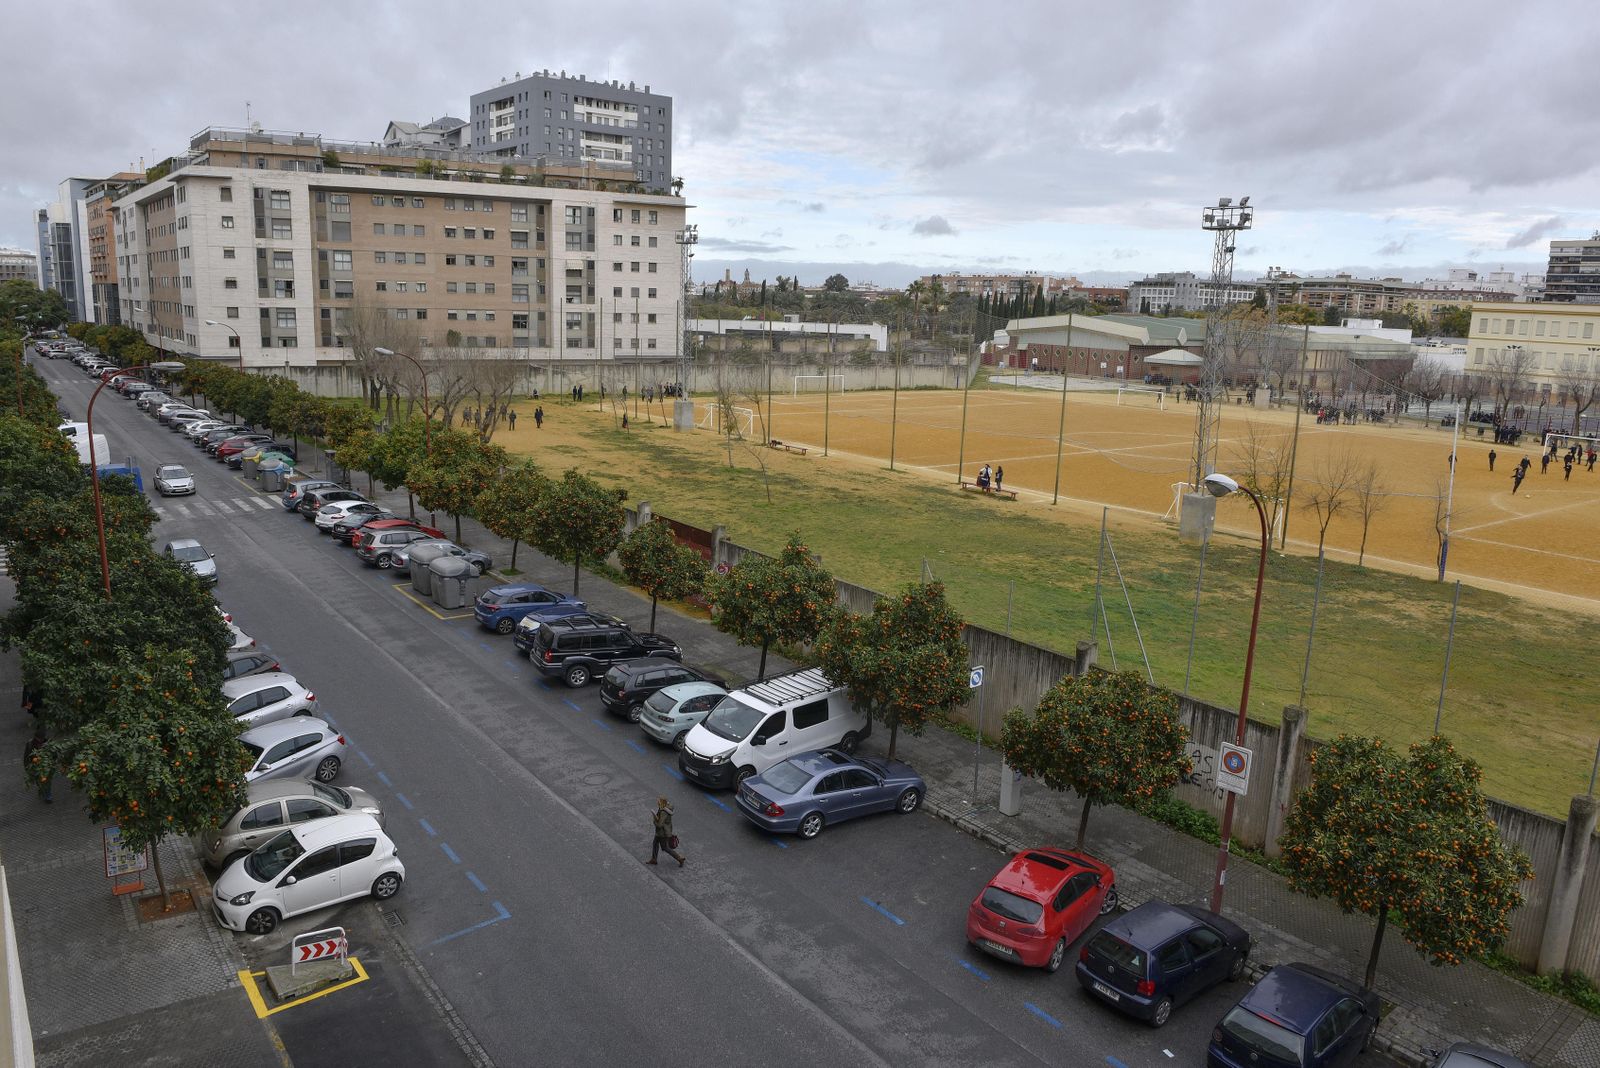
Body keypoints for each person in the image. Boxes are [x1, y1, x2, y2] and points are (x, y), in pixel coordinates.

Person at [648, 797, 684, 866]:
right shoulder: (664, 809)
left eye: (659, 801)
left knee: (665, 847)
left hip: (662, 833)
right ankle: (654, 859)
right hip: (662, 831)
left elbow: (659, 825)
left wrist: (654, 820)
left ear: (662, 802)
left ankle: (679, 858)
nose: (657, 802)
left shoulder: (663, 812)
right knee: (655, 843)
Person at [24, 729, 51, 803]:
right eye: (39, 738)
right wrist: (27, 768)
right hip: (35, 765)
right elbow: (26, 756)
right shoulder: (30, 744)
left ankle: (48, 797)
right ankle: (42, 790)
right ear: (35, 737)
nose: (41, 740)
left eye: (42, 738)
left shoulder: (48, 742)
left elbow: (53, 753)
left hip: (46, 765)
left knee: (47, 780)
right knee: (40, 781)